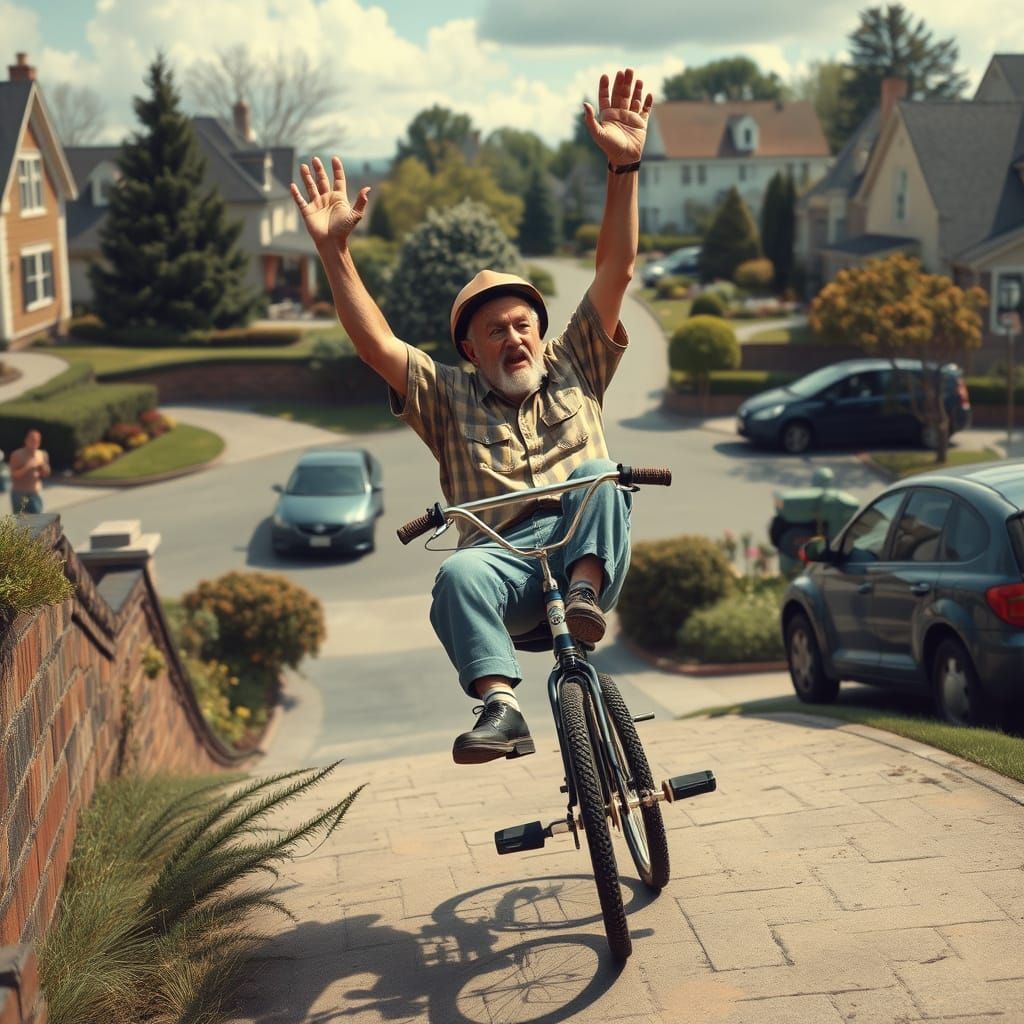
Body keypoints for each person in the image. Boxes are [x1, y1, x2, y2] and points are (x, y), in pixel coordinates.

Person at [292, 68, 652, 764]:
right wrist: (334, 250)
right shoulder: (448, 398)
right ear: (469, 347)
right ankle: (501, 708)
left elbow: (616, 268)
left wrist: (624, 165)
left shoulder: (577, 363)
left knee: (603, 472)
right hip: (502, 562)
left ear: (541, 333)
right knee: (455, 575)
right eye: (495, 331)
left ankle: (585, 595)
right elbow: (376, 346)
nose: (514, 338)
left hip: (589, 548)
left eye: (523, 324)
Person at [9, 428, 50, 514]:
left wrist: (44, 469)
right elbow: (13, 474)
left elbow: (45, 474)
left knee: (37, 521)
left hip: (35, 492)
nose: (34, 443)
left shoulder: (42, 455)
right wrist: (28, 467)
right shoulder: (17, 455)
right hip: (19, 493)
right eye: (32, 440)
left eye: (37, 441)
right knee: (20, 522)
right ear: (26, 440)